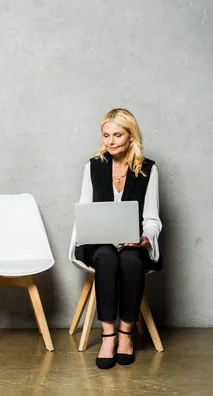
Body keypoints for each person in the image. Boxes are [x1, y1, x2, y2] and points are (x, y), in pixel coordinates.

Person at [69, 108, 162, 369]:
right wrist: (92, 233)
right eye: (106, 135)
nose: (110, 141)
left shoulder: (148, 169)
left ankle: (125, 335)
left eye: (117, 135)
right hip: (97, 243)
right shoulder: (93, 166)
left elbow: (152, 219)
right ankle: (108, 336)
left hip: (134, 243)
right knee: (108, 259)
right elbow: (84, 211)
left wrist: (145, 238)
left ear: (131, 137)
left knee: (131, 260)